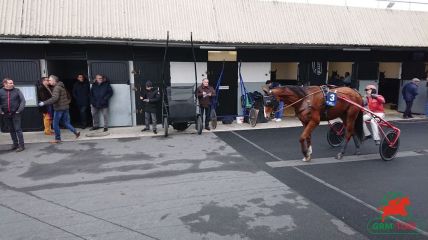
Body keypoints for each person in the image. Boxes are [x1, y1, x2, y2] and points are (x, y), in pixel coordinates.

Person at [38, 75, 80, 144]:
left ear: (54, 81)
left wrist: (44, 103)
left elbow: (55, 98)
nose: (49, 81)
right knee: (66, 122)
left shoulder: (56, 88)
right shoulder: (61, 86)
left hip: (59, 108)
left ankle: (58, 139)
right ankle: (76, 132)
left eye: (50, 80)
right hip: (65, 107)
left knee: (55, 124)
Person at [0, 78, 26, 152]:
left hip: (16, 113)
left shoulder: (17, 90)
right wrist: (1, 111)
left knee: (18, 129)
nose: (13, 84)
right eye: (10, 83)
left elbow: (23, 101)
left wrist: (19, 110)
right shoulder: (1, 91)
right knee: (11, 130)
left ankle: (21, 146)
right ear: (5, 84)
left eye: (12, 83)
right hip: (5, 114)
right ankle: (15, 144)